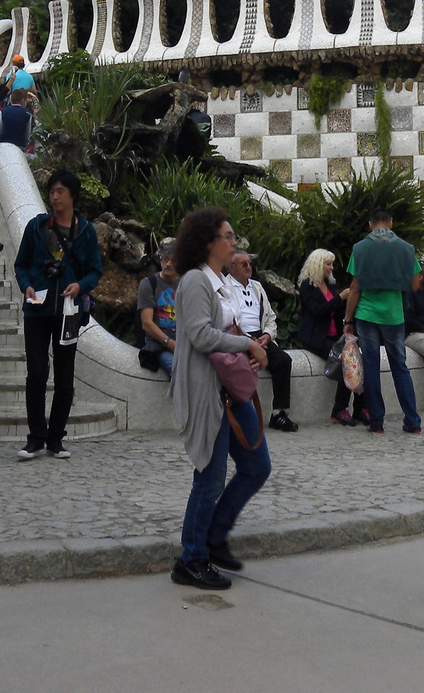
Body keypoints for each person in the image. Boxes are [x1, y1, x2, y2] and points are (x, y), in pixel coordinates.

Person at [169, 207, 272, 591]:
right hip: (206, 390)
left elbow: (223, 329)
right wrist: (245, 342)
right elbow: (198, 334)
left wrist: (249, 344)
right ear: (208, 242)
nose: (234, 242)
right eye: (227, 236)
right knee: (209, 479)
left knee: (256, 465)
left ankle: (214, 537)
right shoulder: (196, 281)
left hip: (228, 388)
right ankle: (192, 558)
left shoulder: (222, 280)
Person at [13, 169, 103, 460]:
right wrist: (26, 285)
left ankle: (56, 439)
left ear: (72, 195)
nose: (54, 196)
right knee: (37, 372)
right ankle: (35, 438)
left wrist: (81, 286)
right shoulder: (37, 227)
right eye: (51, 191)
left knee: (65, 377)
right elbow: (21, 264)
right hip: (37, 309)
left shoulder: (86, 230)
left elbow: (95, 270)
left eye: (60, 191)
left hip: (68, 311)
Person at [342, 208, 424, 435]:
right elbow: (416, 284)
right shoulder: (406, 249)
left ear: (370, 225)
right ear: (391, 222)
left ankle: (376, 422)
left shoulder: (360, 248)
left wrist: (348, 319)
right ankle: (413, 421)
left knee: (371, 367)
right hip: (394, 316)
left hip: (367, 315)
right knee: (400, 367)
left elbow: (355, 287)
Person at [226, 251, 296, 432]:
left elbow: (270, 316)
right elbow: (226, 318)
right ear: (231, 268)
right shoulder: (225, 287)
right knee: (241, 364)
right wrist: (248, 340)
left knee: (283, 360)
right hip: (238, 336)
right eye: (243, 264)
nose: (249, 267)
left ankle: (278, 413)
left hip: (261, 336)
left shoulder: (257, 286)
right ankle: (240, 414)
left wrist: (267, 335)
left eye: (249, 263)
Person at [296, 248, 364, 423]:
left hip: (335, 335)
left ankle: (361, 407)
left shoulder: (330, 286)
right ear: (318, 265)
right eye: (328, 264)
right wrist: (340, 298)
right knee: (345, 362)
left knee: (359, 358)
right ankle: (339, 408)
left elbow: (337, 311)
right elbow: (317, 311)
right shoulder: (307, 287)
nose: (331, 268)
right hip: (316, 337)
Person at [138, 246, 179, 377]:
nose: (168, 264)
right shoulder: (149, 284)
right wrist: (169, 343)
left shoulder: (185, 285)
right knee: (177, 371)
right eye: (165, 259)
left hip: (183, 343)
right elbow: (147, 323)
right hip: (160, 345)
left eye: (173, 260)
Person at [0, 88, 35, 152]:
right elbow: (27, 132)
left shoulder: (3, 111)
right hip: (20, 144)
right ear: (23, 101)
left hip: (4, 143)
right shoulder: (27, 113)